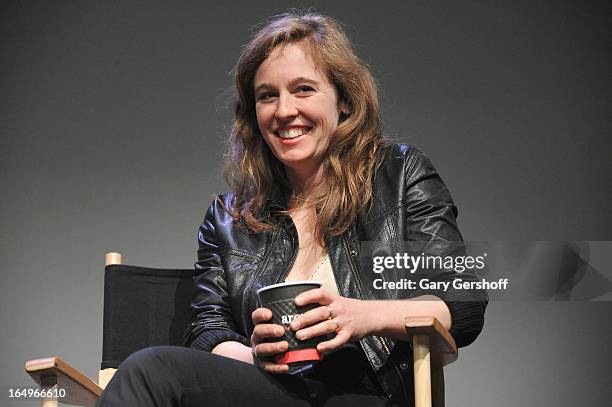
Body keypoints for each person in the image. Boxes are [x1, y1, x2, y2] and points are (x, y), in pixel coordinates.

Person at [96, 11, 486, 407]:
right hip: (270, 390)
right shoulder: (228, 218)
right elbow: (207, 329)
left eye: (303, 89)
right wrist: (255, 355)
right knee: (151, 371)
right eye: (268, 95)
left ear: (345, 101)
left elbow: (463, 300)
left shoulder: (399, 175)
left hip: (367, 393)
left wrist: (359, 317)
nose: (284, 111)